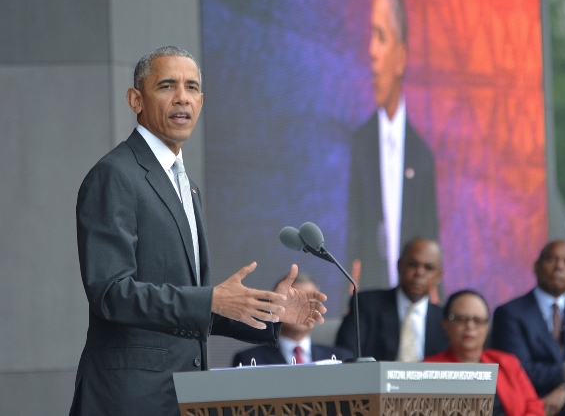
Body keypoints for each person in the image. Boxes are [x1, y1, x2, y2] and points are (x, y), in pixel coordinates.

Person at [69, 46, 327, 416]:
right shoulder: (115, 175)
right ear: (135, 99)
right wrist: (210, 300)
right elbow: (111, 293)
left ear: (202, 102)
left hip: (182, 397)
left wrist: (268, 311)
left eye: (191, 88)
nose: (182, 98)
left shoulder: (187, 187)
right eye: (167, 86)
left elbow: (190, 305)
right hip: (127, 398)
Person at [347, 0, 439, 291]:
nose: (371, 51)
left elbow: (430, 239)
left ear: (400, 57)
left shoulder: (421, 157)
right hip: (370, 305)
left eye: (381, 37)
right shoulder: (359, 146)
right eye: (370, 37)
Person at [491, 240, 565, 416]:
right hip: (530, 407)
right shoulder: (509, 313)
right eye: (552, 259)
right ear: (536, 266)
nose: (559, 266)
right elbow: (517, 370)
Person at [424, 290, 545, 416]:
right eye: (461, 319)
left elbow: (534, 406)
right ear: (446, 324)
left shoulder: (507, 363)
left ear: (487, 326)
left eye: (478, 320)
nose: (470, 326)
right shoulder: (427, 370)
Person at [335, 237, 447, 361]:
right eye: (412, 264)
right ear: (399, 265)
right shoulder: (366, 304)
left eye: (428, 268)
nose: (419, 272)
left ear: (439, 276)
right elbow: (345, 354)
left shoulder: (445, 319)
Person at [232, 274, 354, 365]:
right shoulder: (249, 360)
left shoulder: (341, 358)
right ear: (274, 305)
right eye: (292, 301)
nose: (300, 308)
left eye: (308, 301)